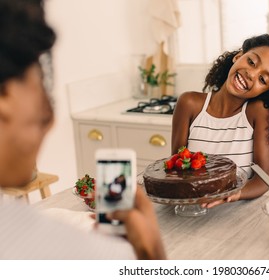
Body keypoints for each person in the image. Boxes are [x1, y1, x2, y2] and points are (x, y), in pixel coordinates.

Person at [0, 0, 165, 260]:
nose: (50, 118)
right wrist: (149, 252)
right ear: (6, 97)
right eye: (42, 80)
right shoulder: (92, 254)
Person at [172, 34, 269, 208]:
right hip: (190, 208)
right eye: (252, 62)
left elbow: (262, 180)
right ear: (238, 56)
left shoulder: (258, 114)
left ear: (265, 91)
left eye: (263, 79)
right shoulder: (189, 104)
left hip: (234, 212)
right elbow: (176, 167)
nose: (251, 75)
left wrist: (234, 194)